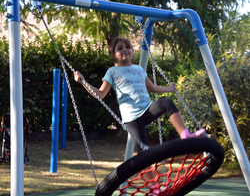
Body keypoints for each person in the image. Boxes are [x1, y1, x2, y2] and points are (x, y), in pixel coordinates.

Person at [74, 37, 205, 193]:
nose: (124, 50)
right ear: (114, 55)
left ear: (132, 50)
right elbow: (100, 94)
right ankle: (155, 188)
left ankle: (185, 134)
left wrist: (169, 88)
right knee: (144, 152)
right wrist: (83, 82)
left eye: (127, 47)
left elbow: (153, 88)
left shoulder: (139, 69)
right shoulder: (112, 72)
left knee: (167, 103)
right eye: (120, 48)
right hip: (132, 118)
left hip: (147, 109)